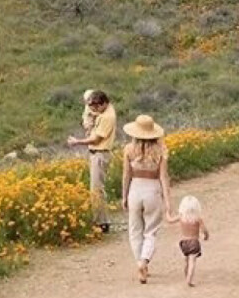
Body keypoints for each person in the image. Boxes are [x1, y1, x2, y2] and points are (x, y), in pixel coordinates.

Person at [121, 113, 173, 283]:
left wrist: (124, 195)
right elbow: (164, 177)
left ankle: (139, 263)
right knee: (151, 231)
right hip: (152, 190)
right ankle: (145, 261)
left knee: (135, 230)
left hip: (135, 189)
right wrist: (168, 203)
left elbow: (126, 175)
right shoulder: (161, 151)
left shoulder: (129, 150)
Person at [66, 90, 116, 233]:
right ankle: (100, 219)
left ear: (103, 104)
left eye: (96, 108)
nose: (94, 110)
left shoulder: (107, 117)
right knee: (96, 188)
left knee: (97, 189)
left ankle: (101, 222)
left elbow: (96, 139)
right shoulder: (104, 110)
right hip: (97, 154)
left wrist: (78, 142)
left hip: (100, 154)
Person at [167, 195, 210, 287]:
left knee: (186, 261)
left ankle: (186, 275)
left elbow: (170, 220)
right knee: (192, 261)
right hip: (194, 242)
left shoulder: (181, 217)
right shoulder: (198, 219)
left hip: (183, 243)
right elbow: (204, 230)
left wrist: (167, 213)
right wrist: (206, 236)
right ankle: (189, 279)